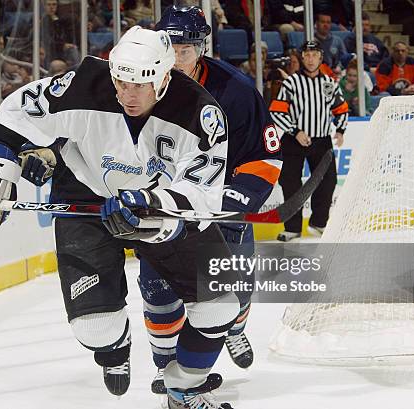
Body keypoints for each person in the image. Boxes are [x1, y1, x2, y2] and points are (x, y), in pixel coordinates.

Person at [0, 26, 240, 409]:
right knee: (95, 328)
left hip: (159, 208)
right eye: (122, 82)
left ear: (164, 77)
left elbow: (202, 192)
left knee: (220, 306)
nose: (128, 94)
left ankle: (183, 388)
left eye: (140, 85)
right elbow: (19, 111)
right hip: (85, 200)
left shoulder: (200, 112)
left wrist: (150, 204)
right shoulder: (84, 84)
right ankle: (114, 349)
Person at [139, 5, 282, 395]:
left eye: (183, 48)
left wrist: (239, 195)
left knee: (232, 292)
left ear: (201, 48)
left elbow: (264, 154)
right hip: (164, 208)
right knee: (158, 291)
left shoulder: (234, 90)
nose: (174, 56)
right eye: (168, 46)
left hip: (221, 208)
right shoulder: (137, 82)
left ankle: (234, 328)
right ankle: (166, 365)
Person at [270, 40, 348, 241]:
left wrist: (340, 130)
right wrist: (295, 131)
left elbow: (341, 108)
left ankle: (319, 222)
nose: (311, 59)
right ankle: (293, 228)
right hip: (293, 141)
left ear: (321, 58)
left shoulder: (329, 84)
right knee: (290, 183)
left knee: (328, 181)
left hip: (321, 141)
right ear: (302, 58)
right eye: (307, 55)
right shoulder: (291, 83)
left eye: (315, 55)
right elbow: (277, 112)